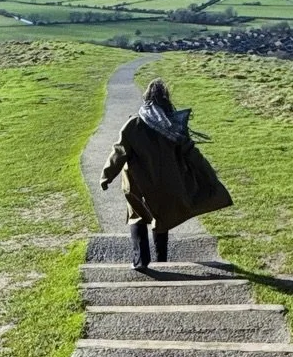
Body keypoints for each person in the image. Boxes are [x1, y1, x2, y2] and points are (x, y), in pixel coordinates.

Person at [99, 78, 233, 271]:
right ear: (166, 100)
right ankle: (162, 261)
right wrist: (210, 178)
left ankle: (140, 261)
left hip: (137, 185)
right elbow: (192, 154)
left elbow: (119, 153)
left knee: (137, 217)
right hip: (168, 184)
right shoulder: (174, 126)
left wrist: (106, 176)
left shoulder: (133, 125)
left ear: (146, 99)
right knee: (161, 219)